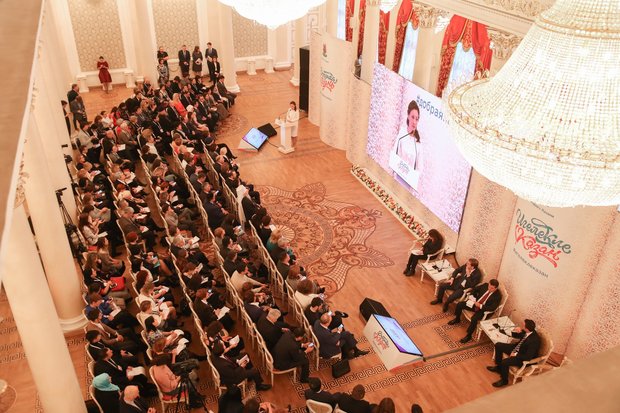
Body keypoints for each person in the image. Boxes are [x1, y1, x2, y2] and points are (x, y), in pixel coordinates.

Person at [487, 319, 541, 387]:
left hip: (522, 357)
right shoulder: (528, 331)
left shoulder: (534, 341)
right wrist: (512, 331)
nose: (521, 326)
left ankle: (504, 380)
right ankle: (499, 368)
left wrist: (515, 354)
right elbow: (518, 335)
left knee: (504, 362)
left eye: (523, 325)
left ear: (526, 328)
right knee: (498, 345)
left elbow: (528, 357)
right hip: (517, 348)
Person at [448, 279, 502, 343]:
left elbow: (492, 308)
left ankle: (469, 336)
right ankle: (457, 319)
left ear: (496, 288)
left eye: (492, 288)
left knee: (474, 319)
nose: (489, 289)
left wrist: (480, 306)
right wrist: (472, 296)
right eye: (489, 286)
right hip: (475, 303)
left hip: (483, 310)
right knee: (460, 304)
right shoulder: (485, 285)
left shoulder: (498, 296)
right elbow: (474, 289)